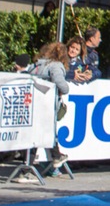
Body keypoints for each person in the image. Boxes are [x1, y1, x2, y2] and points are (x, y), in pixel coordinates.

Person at [30, 42, 71, 176]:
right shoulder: (55, 65)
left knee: (33, 136)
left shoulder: (36, 65)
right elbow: (61, 83)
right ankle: (55, 156)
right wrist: (65, 89)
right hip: (47, 105)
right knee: (49, 131)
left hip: (33, 103)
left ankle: (29, 167)